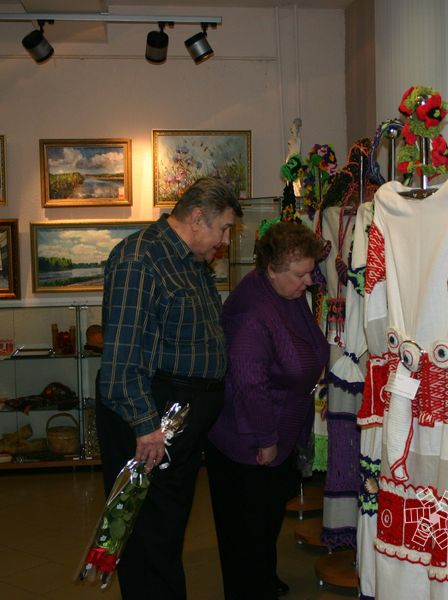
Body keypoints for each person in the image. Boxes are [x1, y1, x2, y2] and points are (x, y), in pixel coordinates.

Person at [96, 177, 242, 600]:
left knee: (165, 529)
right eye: (225, 228)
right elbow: (122, 361)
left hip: (174, 419)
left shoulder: (188, 259)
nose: (226, 240)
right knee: (147, 536)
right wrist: (146, 427)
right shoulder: (140, 259)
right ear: (198, 219)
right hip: (149, 419)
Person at [206, 220, 329, 600]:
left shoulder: (285, 293)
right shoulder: (251, 312)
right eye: (302, 274)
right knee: (246, 528)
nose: (309, 281)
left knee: (266, 519)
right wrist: (267, 439)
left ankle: (261, 576)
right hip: (248, 440)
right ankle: (250, 588)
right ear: (272, 268)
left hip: (279, 426)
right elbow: (249, 384)